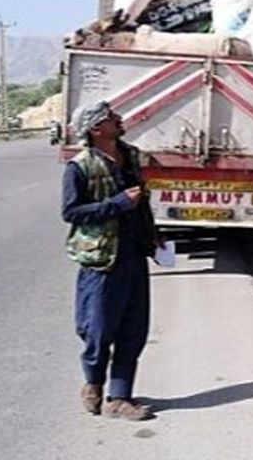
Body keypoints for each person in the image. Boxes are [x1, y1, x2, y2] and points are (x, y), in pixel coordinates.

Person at [61, 101, 159, 421]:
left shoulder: (129, 155)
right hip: (102, 260)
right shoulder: (80, 166)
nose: (119, 120)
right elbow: (71, 212)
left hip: (133, 255)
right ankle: (93, 384)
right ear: (96, 129)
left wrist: (153, 235)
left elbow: (141, 200)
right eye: (110, 118)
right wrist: (116, 204)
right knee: (98, 329)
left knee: (134, 328)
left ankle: (120, 397)